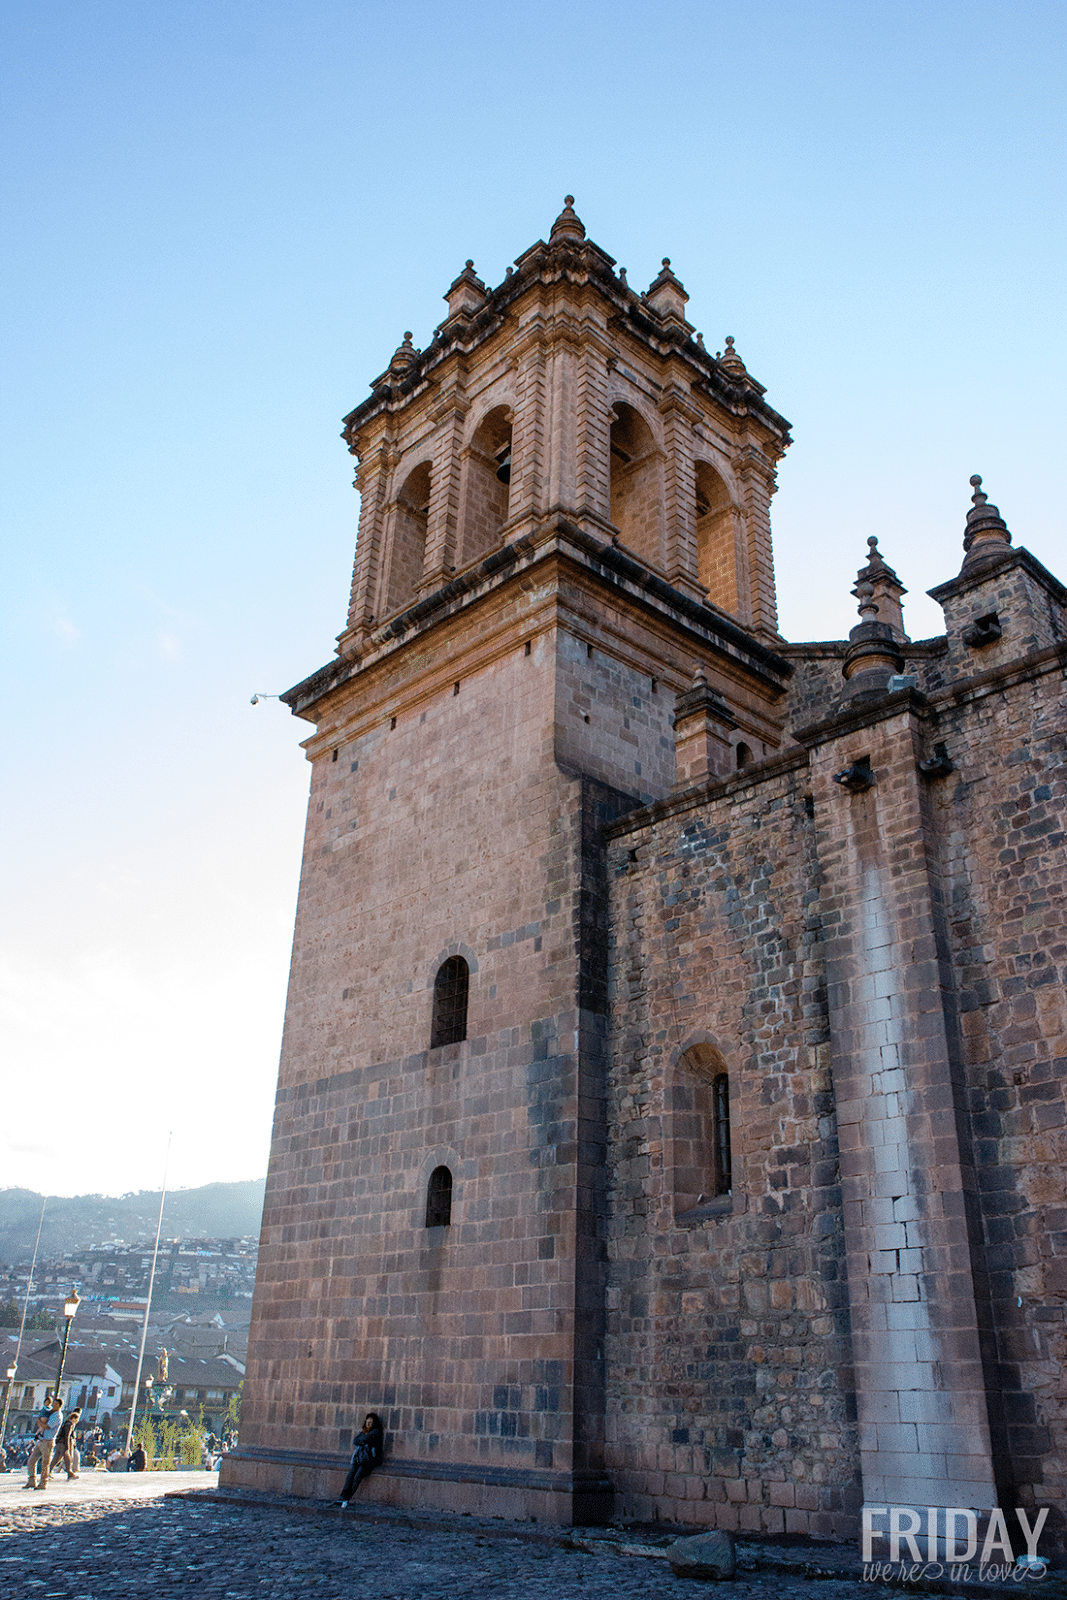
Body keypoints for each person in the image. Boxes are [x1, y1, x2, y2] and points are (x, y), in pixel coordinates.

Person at [336, 1412, 384, 1508]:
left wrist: (363, 1438)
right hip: (360, 1459)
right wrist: (363, 1438)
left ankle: (347, 1498)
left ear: (374, 1423)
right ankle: (342, 1496)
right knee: (350, 1475)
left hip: (369, 1461)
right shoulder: (364, 1431)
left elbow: (366, 1439)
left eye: (371, 1422)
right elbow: (355, 1440)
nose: (368, 1424)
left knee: (357, 1477)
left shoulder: (376, 1432)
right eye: (367, 1422)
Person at [25, 1398, 63, 1490]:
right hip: (41, 1440)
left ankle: (43, 1483)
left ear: (59, 1405)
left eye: (55, 1404)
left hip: (48, 1441)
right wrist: (40, 1422)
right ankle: (31, 1481)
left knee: (45, 1463)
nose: (53, 1405)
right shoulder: (50, 1413)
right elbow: (41, 1424)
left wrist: (39, 1421)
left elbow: (47, 1426)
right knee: (31, 1461)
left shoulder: (57, 1415)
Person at [52, 1405, 82, 1479]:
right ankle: (70, 1473)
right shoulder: (69, 1424)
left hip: (60, 1443)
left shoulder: (67, 1423)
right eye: (77, 1419)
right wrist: (67, 1446)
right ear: (74, 1418)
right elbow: (67, 1436)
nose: (77, 1421)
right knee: (67, 1458)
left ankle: (48, 1472)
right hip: (63, 1444)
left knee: (57, 1458)